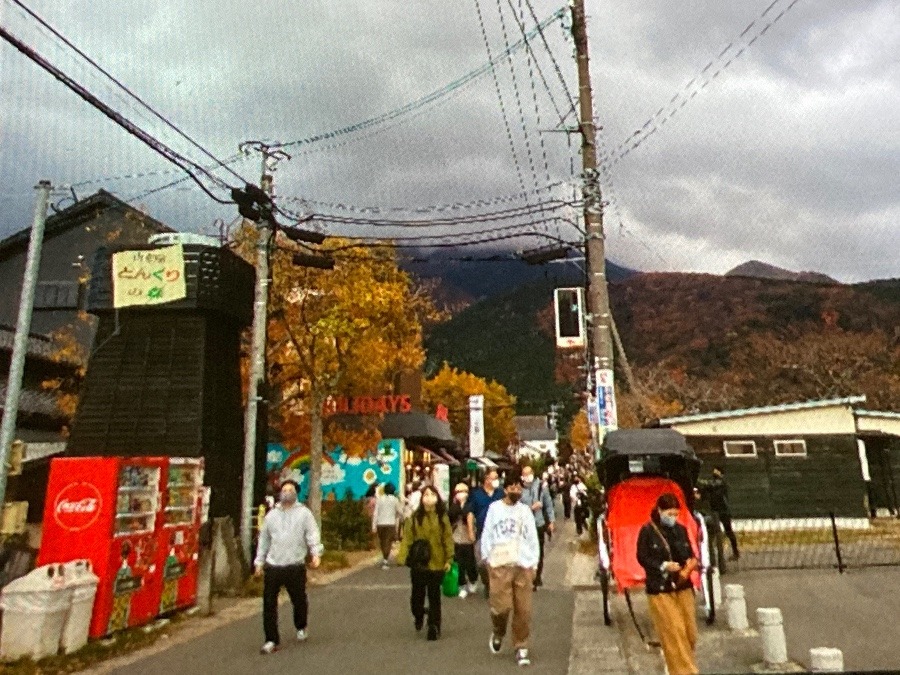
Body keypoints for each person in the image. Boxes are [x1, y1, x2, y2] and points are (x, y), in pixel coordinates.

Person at [254, 479, 323, 655]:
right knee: (269, 603)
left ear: (296, 493)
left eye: (290, 490)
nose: (287, 493)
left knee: (299, 599)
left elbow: (312, 534)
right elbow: (264, 540)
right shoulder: (271, 516)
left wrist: (315, 554)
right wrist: (259, 562)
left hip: (295, 565)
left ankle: (301, 626)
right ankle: (271, 639)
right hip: (274, 565)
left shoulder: (304, 514)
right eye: (284, 489)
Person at [481, 468, 540, 667]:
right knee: (502, 607)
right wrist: (487, 557)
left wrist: (534, 563)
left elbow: (532, 537)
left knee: (524, 609)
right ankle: (498, 631)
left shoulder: (524, 511)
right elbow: (487, 533)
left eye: (518, 487)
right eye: (512, 487)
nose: (516, 490)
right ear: (505, 489)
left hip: (522, 563)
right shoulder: (495, 509)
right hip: (500, 563)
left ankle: (521, 646)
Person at [636, 493, 699, 675]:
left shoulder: (680, 530)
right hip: (660, 588)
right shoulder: (648, 531)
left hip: (682, 584)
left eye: (676, 514)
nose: (673, 518)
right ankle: (684, 671)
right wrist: (663, 566)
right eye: (669, 513)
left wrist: (689, 564)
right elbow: (642, 557)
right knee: (675, 631)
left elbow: (688, 552)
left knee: (690, 632)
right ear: (660, 510)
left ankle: (681, 665)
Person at [396, 484, 454, 641]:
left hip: (438, 562)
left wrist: (449, 558)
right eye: (426, 495)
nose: (429, 498)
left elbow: (448, 539)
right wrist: (402, 557)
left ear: (437, 498)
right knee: (417, 596)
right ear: (421, 498)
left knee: (434, 595)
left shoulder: (442, 518)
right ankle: (419, 614)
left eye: (432, 494)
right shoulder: (415, 518)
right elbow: (407, 538)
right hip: (419, 563)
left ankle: (434, 626)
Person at [466, 469, 505, 596]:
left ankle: (494, 586)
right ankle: (487, 581)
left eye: (497, 477)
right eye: (494, 478)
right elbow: (470, 513)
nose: (496, 480)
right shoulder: (476, 494)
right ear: (486, 479)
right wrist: (471, 531)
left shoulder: (500, 494)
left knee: (497, 561)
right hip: (482, 533)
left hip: (498, 534)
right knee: (481, 562)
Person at [520, 465, 555, 590]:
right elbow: (517, 508)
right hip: (524, 526)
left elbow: (549, 504)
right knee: (525, 551)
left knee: (538, 551)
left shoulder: (541, 486)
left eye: (528, 473)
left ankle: (537, 578)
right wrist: (531, 508)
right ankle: (527, 577)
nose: (526, 477)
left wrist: (551, 521)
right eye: (524, 474)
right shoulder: (519, 489)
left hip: (538, 523)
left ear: (533, 473)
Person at [700, 466, 739, 560]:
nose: (715, 473)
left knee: (728, 531)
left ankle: (735, 552)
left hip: (723, 511)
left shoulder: (721, 483)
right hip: (714, 511)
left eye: (717, 472)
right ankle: (713, 554)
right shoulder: (713, 485)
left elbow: (710, 485)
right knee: (713, 533)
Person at [449, 482, 478, 598]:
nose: (461, 494)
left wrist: (472, 536)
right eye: (458, 491)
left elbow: (471, 521)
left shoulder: (471, 506)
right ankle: (462, 585)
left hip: (468, 540)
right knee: (459, 564)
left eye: (464, 491)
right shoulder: (452, 507)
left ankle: (473, 579)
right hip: (456, 539)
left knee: (470, 563)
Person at [372, 482, 401, 569]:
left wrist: (373, 525)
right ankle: (385, 560)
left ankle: (385, 558)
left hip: (380, 524)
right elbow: (399, 511)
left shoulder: (380, 499)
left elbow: (375, 513)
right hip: (390, 524)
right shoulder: (395, 500)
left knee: (382, 542)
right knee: (388, 542)